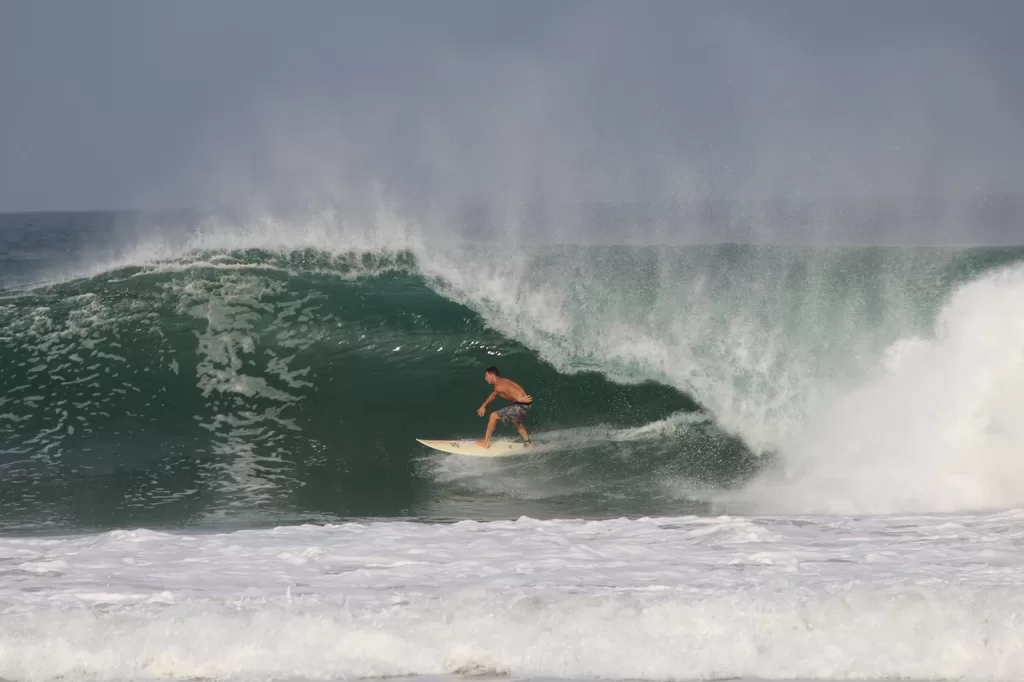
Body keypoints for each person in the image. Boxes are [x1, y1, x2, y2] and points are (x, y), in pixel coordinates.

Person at [475, 366, 533, 448]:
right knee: (516, 421)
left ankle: (486, 443)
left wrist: (520, 400)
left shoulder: (498, 386)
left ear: (492, 375)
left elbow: (510, 393)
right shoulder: (503, 381)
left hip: (521, 404)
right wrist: (483, 406)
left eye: (486, 376)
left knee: (493, 416)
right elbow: (494, 394)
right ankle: (529, 443)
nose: (485, 378)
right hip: (526, 404)